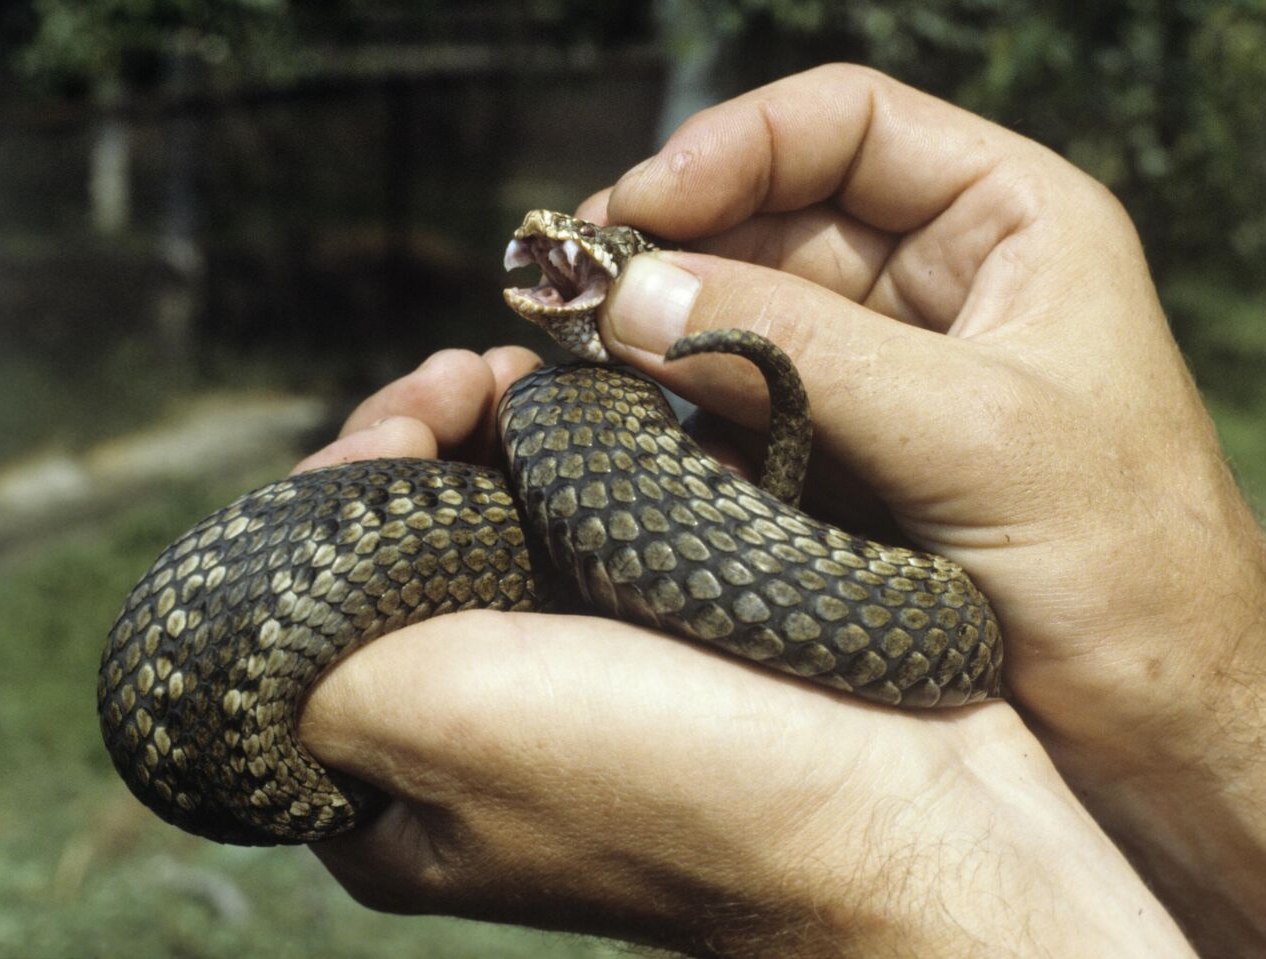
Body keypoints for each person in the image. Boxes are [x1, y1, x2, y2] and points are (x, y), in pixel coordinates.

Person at [292, 65, 1266, 957]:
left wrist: (874, 868)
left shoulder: (590, 404)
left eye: (614, 253)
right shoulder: (577, 401)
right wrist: (1193, 703)